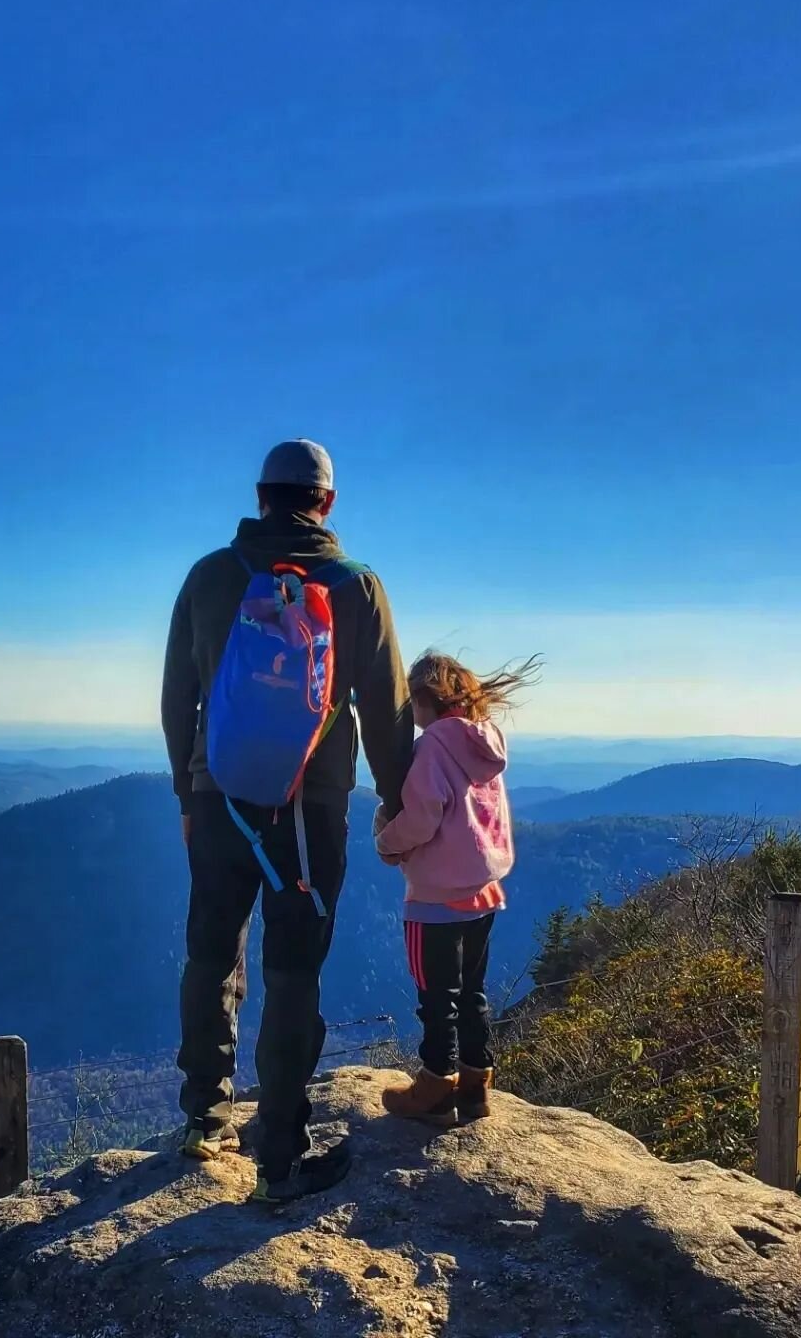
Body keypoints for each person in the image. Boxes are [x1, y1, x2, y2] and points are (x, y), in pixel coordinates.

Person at [162, 438, 413, 1203]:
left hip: (217, 798)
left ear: (260, 493)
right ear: (327, 503)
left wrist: (186, 790)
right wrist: (399, 804)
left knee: (211, 948)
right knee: (294, 967)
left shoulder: (210, 577)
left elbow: (180, 699)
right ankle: (279, 1159)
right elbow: (389, 715)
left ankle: (205, 1119)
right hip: (308, 811)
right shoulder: (358, 586)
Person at [373, 651, 536, 1124]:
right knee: (472, 992)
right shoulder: (485, 746)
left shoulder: (431, 750)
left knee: (435, 997)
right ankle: (475, 1085)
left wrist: (386, 841)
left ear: (424, 700)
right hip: (483, 891)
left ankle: (435, 1088)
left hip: (436, 897)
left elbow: (422, 818)